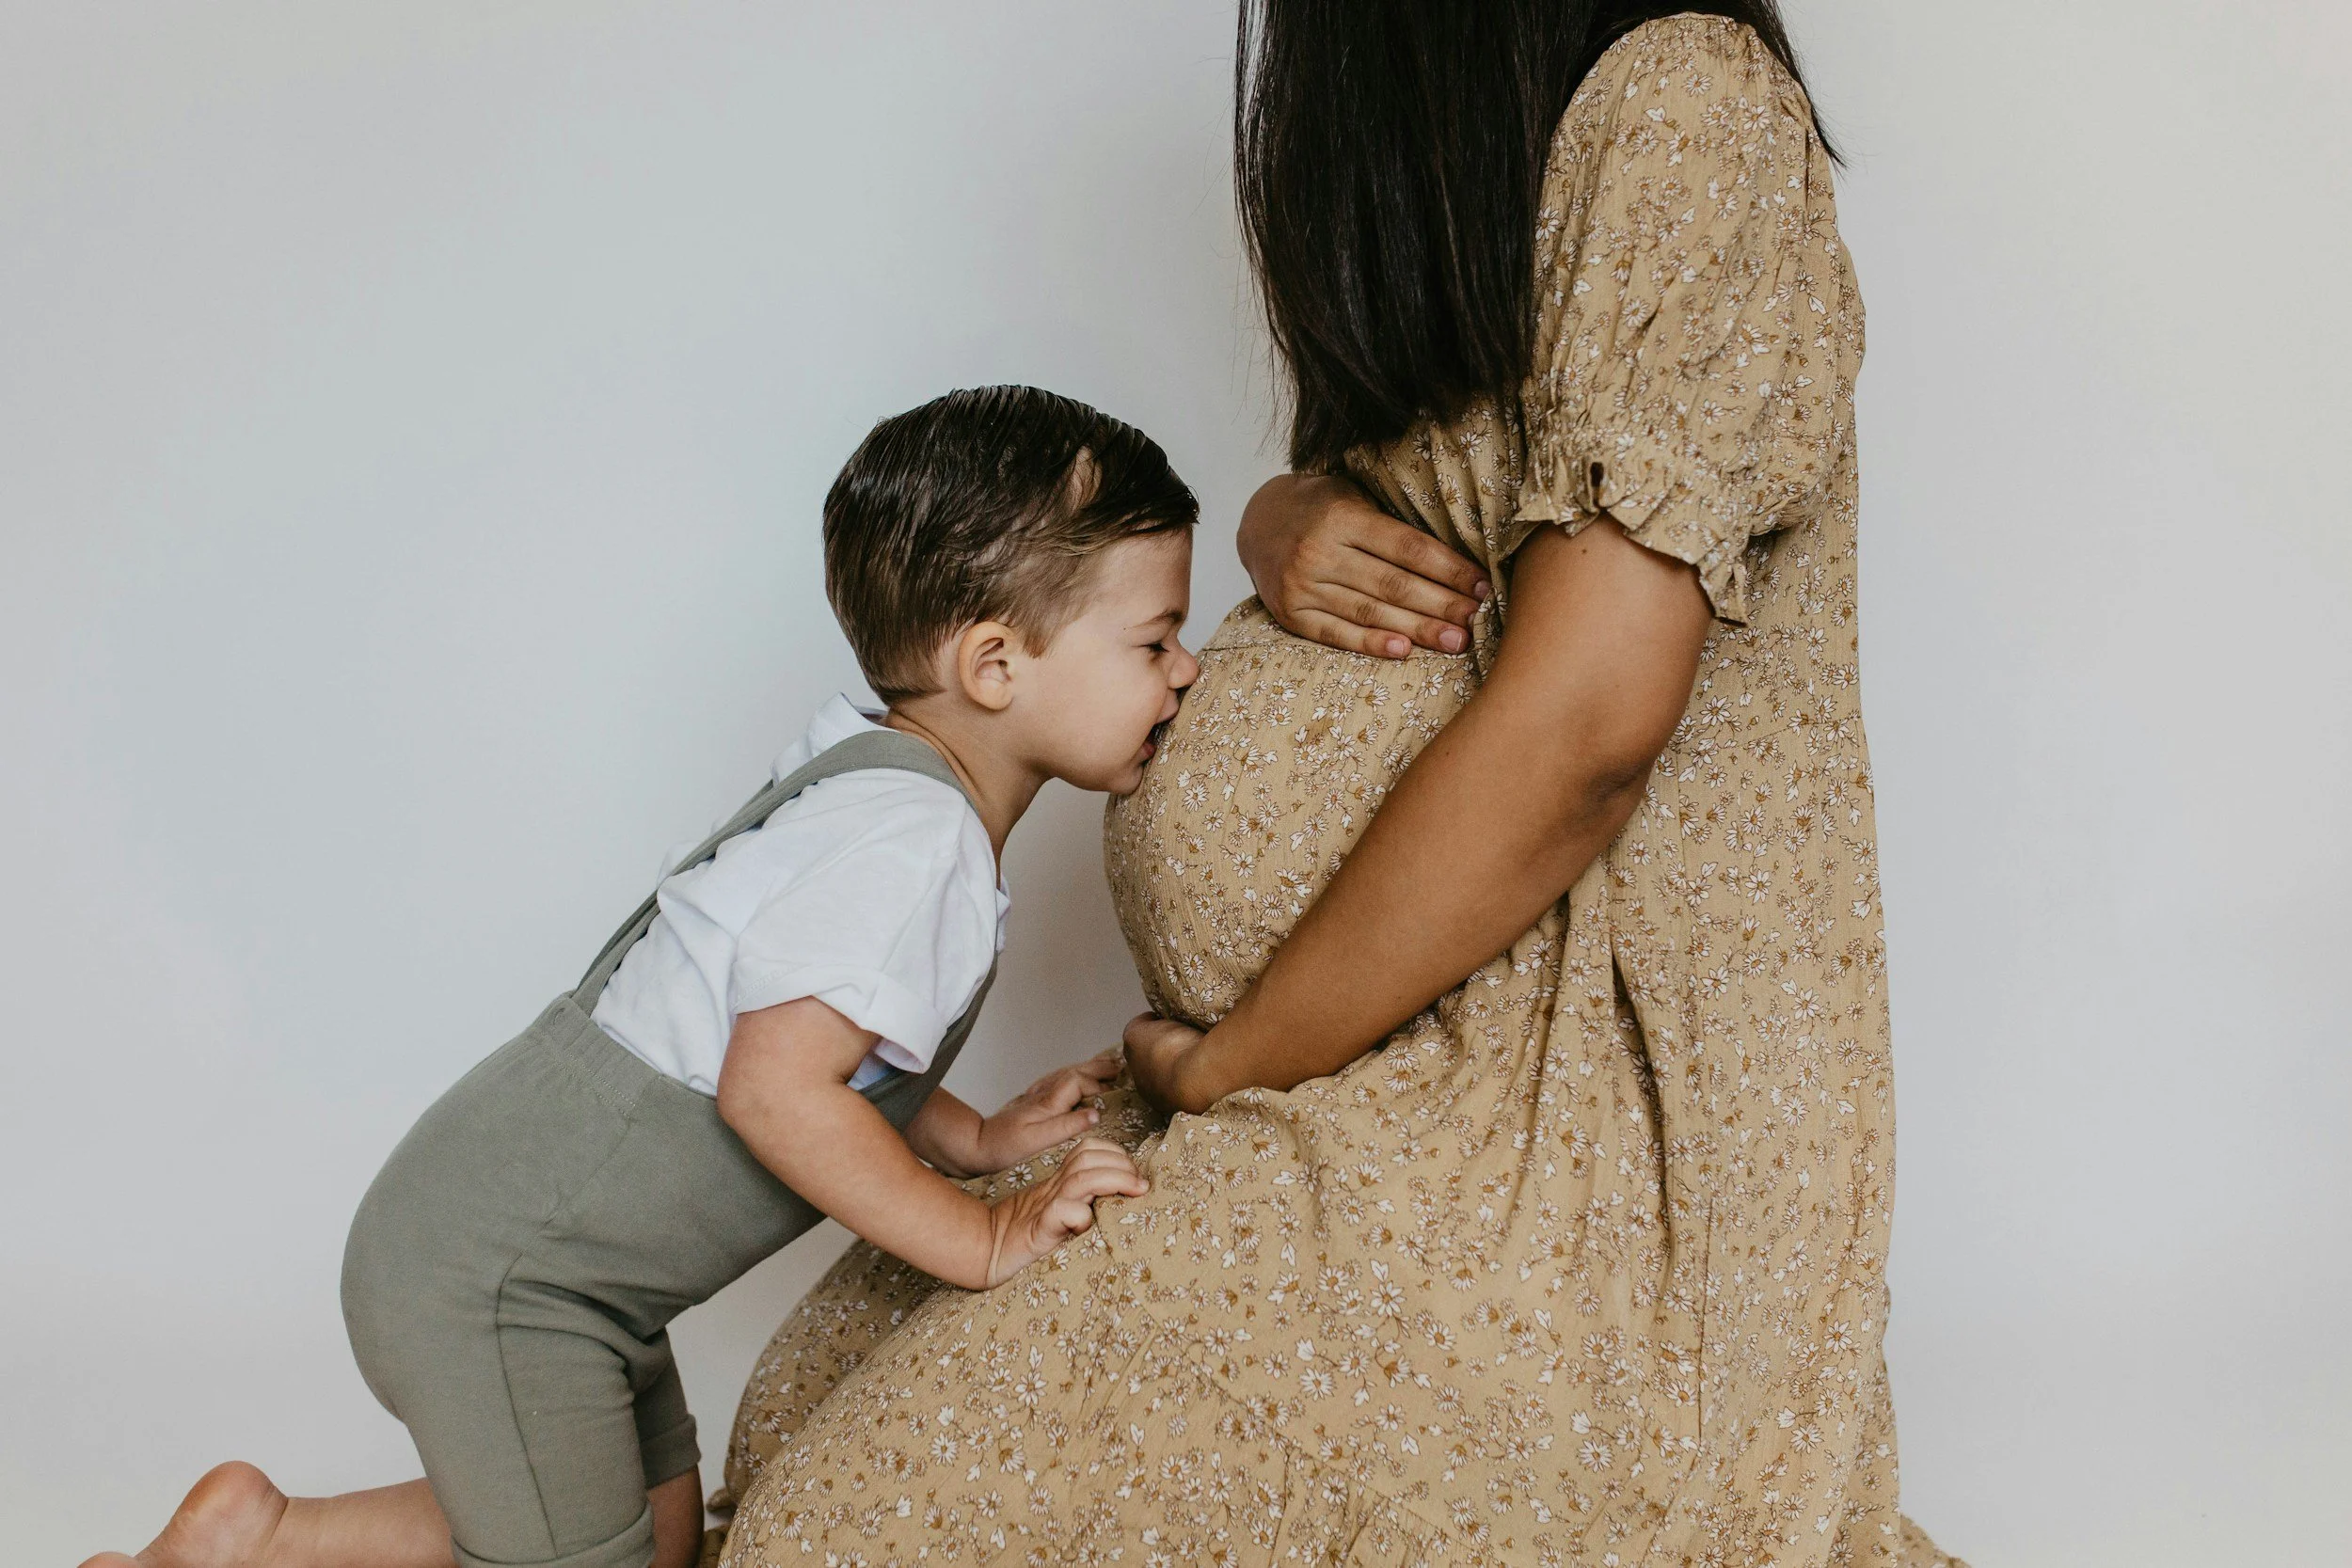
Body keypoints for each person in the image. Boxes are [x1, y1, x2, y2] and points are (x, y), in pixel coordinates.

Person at [712, 5, 1964, 1566]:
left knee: (834, 1539)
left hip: (1531, 1139)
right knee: (784, 1441)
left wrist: (1239, 1061)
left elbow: (1589, 727)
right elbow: (1446, 509)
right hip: (1342, 1066)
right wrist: (1285, 513)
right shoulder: (1476, 163)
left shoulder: (1682, 102)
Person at [81, 385, 1201, 1568]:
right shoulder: (915, 847)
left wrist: (970, 1136)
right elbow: (775, 1089)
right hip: (512, 1280)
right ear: (992, 662)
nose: (1184, 670)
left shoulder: (869, 786)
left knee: (661, 1539)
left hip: (546, 1255)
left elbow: (818, 1035)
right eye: (1153, 639)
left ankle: (257, 1540)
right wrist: (983, 1238)